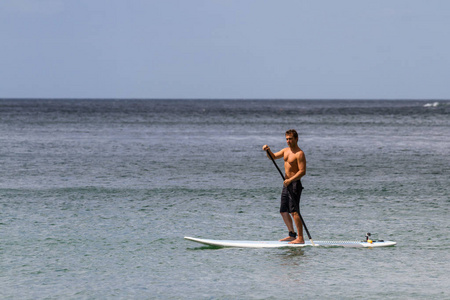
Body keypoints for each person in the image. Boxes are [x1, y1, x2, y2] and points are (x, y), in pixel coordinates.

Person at [262, 129, 306, 244]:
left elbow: (302, 171)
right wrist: (268, 151)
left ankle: (300, 238)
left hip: (295, 184)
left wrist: (290, 180)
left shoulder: (299, 153)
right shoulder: (285, 151)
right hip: (286, 184)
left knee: (294, 212)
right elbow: (273, 157)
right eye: (287, 139)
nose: (288, 141)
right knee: (283, 211)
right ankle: (292, 235)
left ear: (296, 139)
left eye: (290, 139)